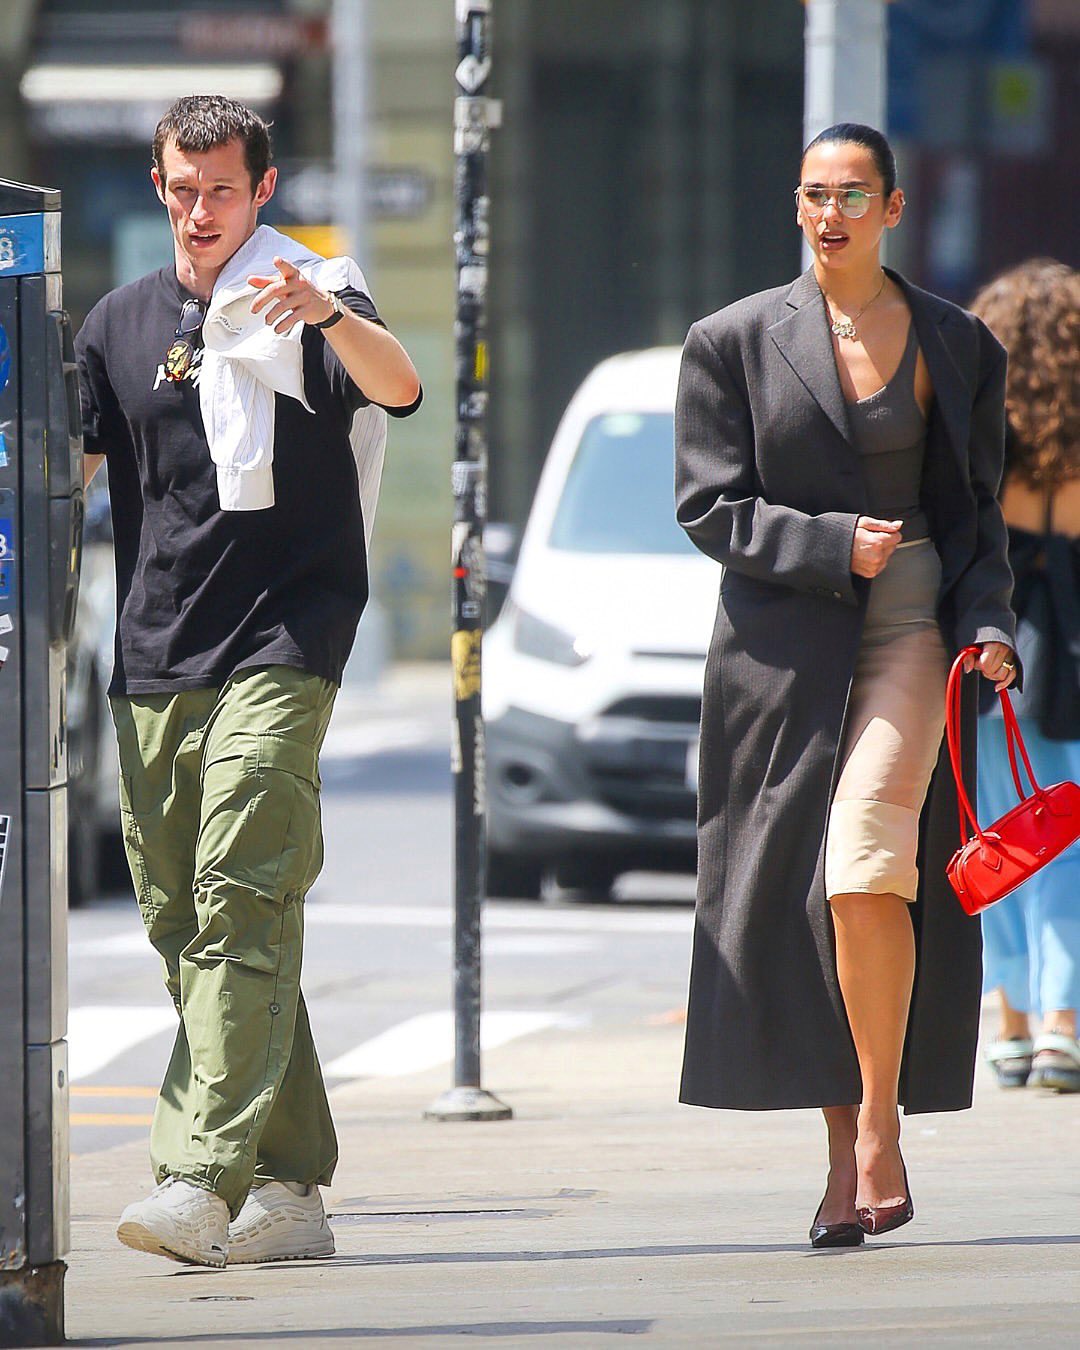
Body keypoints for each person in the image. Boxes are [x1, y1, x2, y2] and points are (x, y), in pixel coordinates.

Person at [76, 95, 421, 1267]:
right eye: (182, 188)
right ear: (159, 184)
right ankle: (294, 1183)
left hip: (284, 639)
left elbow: (399, 386)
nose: (201, 210)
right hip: (155, 648)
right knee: (189, 923)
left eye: (223, 189)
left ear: (262, 190)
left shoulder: (308, 292)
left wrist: (328, 313)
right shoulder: (119, 324)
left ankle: (197, 1178)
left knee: (239, 893)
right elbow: (73, 469)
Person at [674, 123, 1017, 1248]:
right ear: (797, 205)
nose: (832, 214)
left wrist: (991, 624)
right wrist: (827, 544)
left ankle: (878, 1126)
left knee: (869, 858)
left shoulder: (957, 342)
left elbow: (976, 514)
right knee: (809, 891)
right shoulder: (730, 341)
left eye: (853, 195)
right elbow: (708, 505)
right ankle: (842, 1159)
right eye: (815, 194)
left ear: (893, 209)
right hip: (783, 650)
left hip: (913, 624)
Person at [968, 260, 1080, 1094]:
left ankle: (1009, 1021)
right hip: (1071, 654)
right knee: (1069, 842)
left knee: (1004, 839)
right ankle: (1062, 1025)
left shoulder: (986, 444)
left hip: (999, 653)